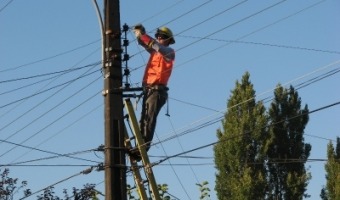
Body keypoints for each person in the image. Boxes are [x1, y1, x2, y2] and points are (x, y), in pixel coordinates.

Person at [132, 24, 175, 154]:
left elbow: (154, 45)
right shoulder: (155, 52)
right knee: (143, 119)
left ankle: (142, 149)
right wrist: (141, 34)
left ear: (168, 39)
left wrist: (144, 35)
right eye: (157, 36)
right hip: (150, 90)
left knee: (148, 119)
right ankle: (139, 147)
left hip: (157, 91)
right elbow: (145, 44)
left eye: (161, 36)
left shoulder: (169, 52)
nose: (159, 38)